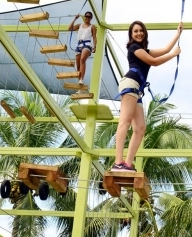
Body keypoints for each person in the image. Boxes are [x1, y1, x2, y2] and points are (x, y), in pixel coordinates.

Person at [112, 21, 182, 171]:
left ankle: (127, 164)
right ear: (131, 35)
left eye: (141, 30)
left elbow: (165, 49)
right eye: (135, 31)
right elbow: (154, 62)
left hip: (137, 88)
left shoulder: (145, 50)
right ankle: (118, 162)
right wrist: (173, 55)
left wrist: (178, 33)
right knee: (125, 121)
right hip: (130, 83)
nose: (139, 33)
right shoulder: (134, 48)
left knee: (140, 128)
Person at [69, 11, 97, 85]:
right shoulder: (80, 25)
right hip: (79, 44)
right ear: (84, 17)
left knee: (82, 59)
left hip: (87, 44)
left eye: (89, 17)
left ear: (91, 18)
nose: (87, 18)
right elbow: (70, 28)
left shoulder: (92, 26)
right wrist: (75, 19)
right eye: (86, 16)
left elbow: (94, 37)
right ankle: (80, 82)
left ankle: (81, 79)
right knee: (78, 65)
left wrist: (95, 46)